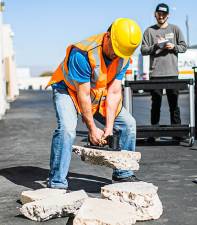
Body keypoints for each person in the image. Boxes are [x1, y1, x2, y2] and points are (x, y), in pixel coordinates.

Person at [46, 18, 142, 189]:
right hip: (68, 90)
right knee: (67, 129)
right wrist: (92, 129)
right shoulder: (82, 54)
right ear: (107, 37)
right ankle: (57, 182)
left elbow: (113, 92)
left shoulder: (123, 55)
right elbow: (82, 94)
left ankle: (123, 174)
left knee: (128, 124)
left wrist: (109, 129)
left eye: (121, 53)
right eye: (115, 50)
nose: (117, 56)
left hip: (96, 93)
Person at [141, 3, 187, 141]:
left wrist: (173, 46)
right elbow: (143, 50)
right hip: (156, 74)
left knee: (174, 104)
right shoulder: (149, 31)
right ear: (155, 14)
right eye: (159, 14)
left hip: (172, 73)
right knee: (156, 104)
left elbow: (184, 47)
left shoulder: (175, 29)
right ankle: (154, 133)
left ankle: (177, 133)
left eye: (164, 14)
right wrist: (155, 46)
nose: (161, 16)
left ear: (168, 15)